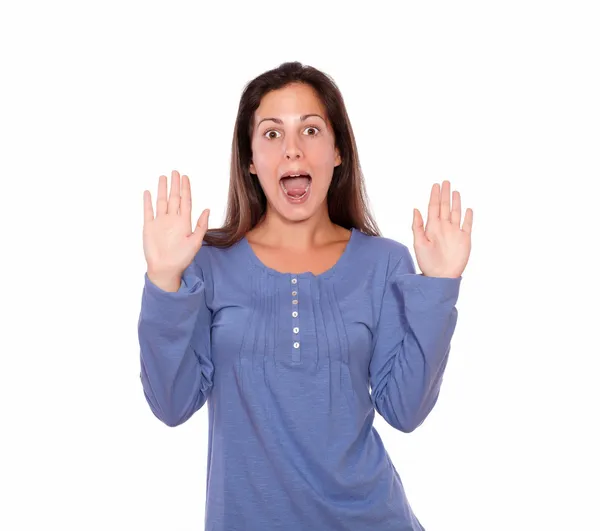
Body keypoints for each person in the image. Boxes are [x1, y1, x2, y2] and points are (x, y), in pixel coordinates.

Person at [138, 61, 473, 531]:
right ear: (250, 160)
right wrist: (164, 280)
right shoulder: (207, 262)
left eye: (311, 130)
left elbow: (405, 410)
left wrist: (438, 287)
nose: (292, 150)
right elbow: (171, 406)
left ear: (337, 151)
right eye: (272, 134)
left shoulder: (384, 263)